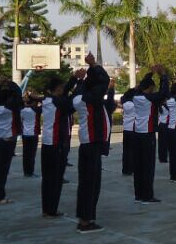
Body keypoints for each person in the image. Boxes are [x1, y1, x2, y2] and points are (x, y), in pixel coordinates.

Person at [73, 52, 112, 233]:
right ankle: (85, 221)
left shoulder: (78, 97)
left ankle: (86, 217)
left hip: (87, 144)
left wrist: (81, 79)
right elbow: (104, 81)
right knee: (90, 185)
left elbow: (94, 84)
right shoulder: (90, 99)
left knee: (88, 184)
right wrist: (93, 64)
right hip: (92, 144)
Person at [128, 66, 170, 204]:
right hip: (148, 135)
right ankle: (147, 196)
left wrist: (150, 73)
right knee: (148, 166)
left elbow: (142, 86)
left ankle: (138, 195)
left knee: (138, 166)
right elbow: (164, 92)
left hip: (137, 134)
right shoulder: (150, 99)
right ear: (151, 88)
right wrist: (162, 75)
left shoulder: (135, 96)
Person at [40, 72, 77, 218]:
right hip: (56, 144)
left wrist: (73, 79)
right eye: (62, 87)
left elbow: (64, 97)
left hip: (46, 144)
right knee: (55, 179)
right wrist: (80, 84)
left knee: (47, 179)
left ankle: (46, 208)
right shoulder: (58, 103)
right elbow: (71, 103)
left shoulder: (47, 99)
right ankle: (52, 209)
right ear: (58, 88)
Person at [0, 81, 22, 204]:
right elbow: (18, 93)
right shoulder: (10, 109)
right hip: (8, 141)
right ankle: (0, 197)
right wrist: (9, 83)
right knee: (3, 171)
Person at [21, 94, 42, 177]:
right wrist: (38, 98)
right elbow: (46, 103)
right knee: (32, 154)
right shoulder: (36, 110)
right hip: (33, 134)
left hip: (25, 134)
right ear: (33, 102)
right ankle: (30, 172)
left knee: (26, 154)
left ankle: (26, 172)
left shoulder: (22, 109)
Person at [120, 92, 136, 176]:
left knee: (125, 150)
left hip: (125, 128)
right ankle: (131, 169)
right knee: (132, 150)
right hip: (132, 128)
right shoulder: (134, 105)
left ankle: (125, 169)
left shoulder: (125, 104)